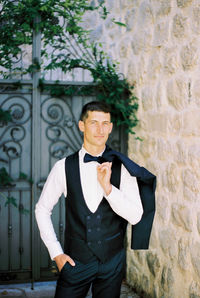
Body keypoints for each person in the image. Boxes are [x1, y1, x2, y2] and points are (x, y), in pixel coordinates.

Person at [35, 101, 156, 298]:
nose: (100, 129)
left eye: (104, 123)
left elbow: (135, 216)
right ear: (82, 125)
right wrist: (56, 253)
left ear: (110, 127)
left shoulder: (123, 167)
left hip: (112, 264)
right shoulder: (63, 167)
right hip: (75, 262)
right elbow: (42, 209)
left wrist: (109, 189)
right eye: (93, 123)